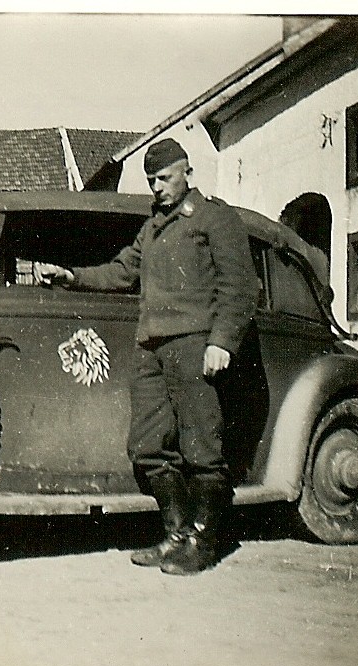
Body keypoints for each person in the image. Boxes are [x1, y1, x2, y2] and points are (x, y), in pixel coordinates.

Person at [37, 139, 259, 575]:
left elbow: (241, 287)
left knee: (201, 446)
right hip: (151, 349)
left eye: (163, 178)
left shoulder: (215, 218)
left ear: (187, 173)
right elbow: (122, 271)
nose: (156, 187)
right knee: (148, 445)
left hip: (195, 346)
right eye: (151, 180)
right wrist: (72, 276)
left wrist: (222, 342)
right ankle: (174, 537)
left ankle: (202, 542)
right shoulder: (153, 227)